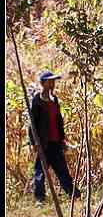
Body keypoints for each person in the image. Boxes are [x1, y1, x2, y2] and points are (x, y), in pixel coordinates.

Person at [29, 70, 80, 204]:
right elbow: (32, 123)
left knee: (62, 170)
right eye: (49, 81)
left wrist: (62, 139)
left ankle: (74, 195)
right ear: (43, 83)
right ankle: (40, 199)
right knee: (40, 172)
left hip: (55, 142)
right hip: (43, 143)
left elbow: (59, 121)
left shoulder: (54, 99)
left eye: (53, 81)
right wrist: (34, 142)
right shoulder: (37, 100)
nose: (52, 84)